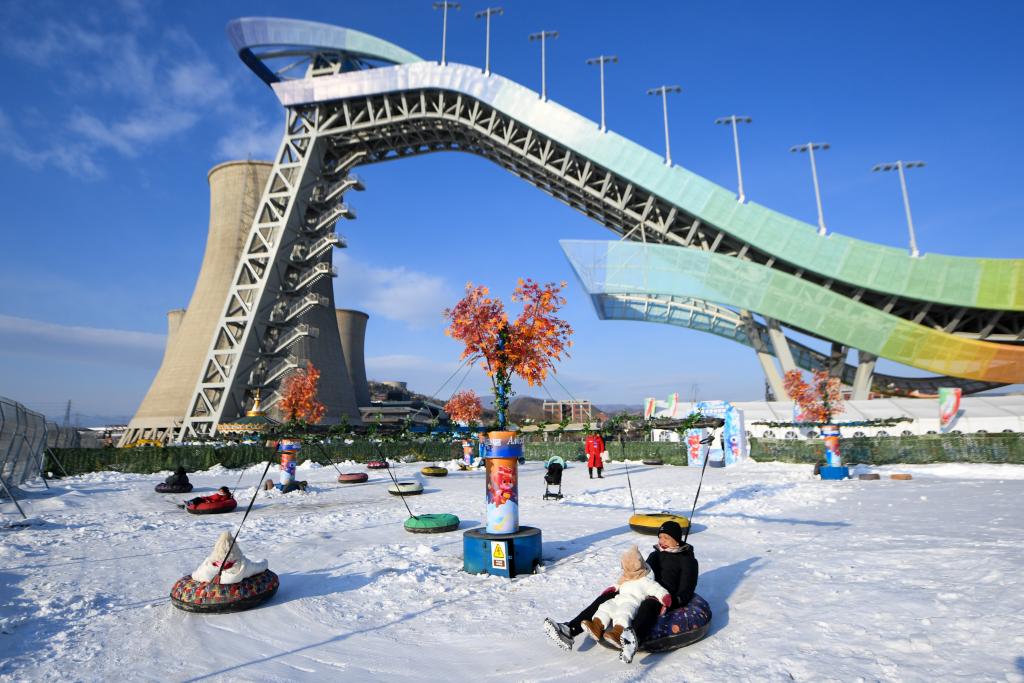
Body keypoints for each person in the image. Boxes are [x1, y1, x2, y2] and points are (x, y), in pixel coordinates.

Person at [543, 520, 698, 664]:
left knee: (648, 605)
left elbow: (687, 589)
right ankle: (570, 629)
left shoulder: (687, 561)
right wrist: (619, 585)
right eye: (660, 537)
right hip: (641, 588)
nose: (662, 541)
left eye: (666, 538)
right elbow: (640, 574)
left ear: (677, 540)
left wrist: (673, 601)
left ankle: (632, 640)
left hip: (661, 596)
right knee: (607, 597)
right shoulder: (654, 555)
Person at [581, 545, 670, 647]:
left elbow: (657, 589)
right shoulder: (626, 577)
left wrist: (665, 597)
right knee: (606, 607)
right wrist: (612, 589)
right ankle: (596, 626)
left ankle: (618, 633)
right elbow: (618, 584)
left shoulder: (645, 580)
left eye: (627, 569)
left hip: (632, 602)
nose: (625, 572)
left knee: (623, 613)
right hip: (619, 599)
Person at [191, 531, 268, 584]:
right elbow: (259, 567)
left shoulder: (207, 567)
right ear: (235, 547)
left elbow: (195, 575)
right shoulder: (242, 566)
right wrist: (264, 561)